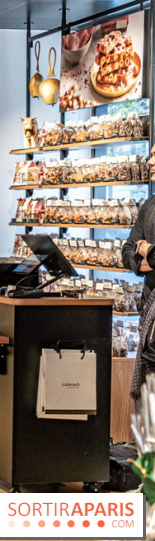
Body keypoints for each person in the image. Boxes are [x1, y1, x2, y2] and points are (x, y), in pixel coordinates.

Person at [122, 145, 155, 401]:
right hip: (149, 320)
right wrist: (147, 252)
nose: (150, 162)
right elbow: (127, 253)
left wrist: (146, 250)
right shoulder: (149, 205)